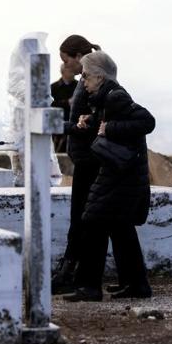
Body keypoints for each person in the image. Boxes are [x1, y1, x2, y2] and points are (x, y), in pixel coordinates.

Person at [63, 51, 155, 302]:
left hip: (120, 176)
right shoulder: (107, 98)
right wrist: (92, 121)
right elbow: (111, 123)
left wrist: (109, 127)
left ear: (99, 77)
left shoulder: (116, 96)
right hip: (121, 174)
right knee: (120, 226)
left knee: (92, 221)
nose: (83, 82)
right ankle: (136, 285)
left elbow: (147, 121)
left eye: (86, 77)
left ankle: (89, 287)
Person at [51, 35, 102, 293]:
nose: (65, 66)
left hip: (89, 160)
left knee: (81, 218)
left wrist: (70, 126)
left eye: (65, 60)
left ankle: (72, 273)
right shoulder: (85, 80)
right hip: (84, 158)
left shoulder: (91, 80)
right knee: (79, 217)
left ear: (76, 57)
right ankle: (72, 272)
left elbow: (93, 120)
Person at [50, 63, 78, 153]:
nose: (73, 72)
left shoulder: (79, 86)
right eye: (70, 70)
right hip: (58, 125)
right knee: (58, 151)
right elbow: (49, 104)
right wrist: (67, 102)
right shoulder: (53, 87)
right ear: (63, 72)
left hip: (75, 123)